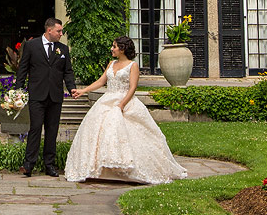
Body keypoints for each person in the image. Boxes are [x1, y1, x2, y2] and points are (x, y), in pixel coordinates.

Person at [65, 35, 187, 184]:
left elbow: (133, 87)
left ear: (122, 49)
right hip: (107, 100)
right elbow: (101, 81)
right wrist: (83, 91)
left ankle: (126, 168)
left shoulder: (132, 65)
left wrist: (122, 104)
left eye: (114, 46)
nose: (112, 49)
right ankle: (102, 169)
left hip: (125, 101)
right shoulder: (111, 64)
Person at [14, 17, 77, 177]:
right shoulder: (31, 45)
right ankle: (28, 165)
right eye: (59, 31)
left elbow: (67, 71)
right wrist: (18, 91)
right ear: (49, 30)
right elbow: (23, 69)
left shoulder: (63, 49)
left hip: (55, 96)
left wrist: (72, 88)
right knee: (35, 128)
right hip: (37, 95)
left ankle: (49, 165)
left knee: (52, 130)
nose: (61, 34)